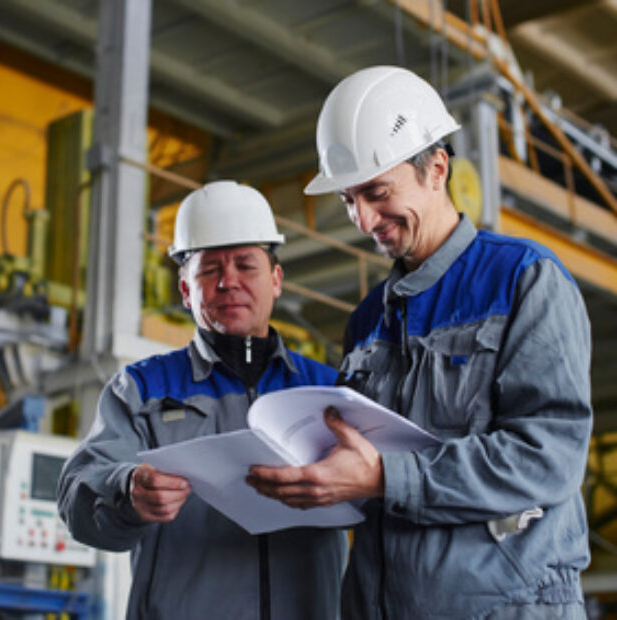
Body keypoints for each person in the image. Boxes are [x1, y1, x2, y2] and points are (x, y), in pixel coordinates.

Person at [246, 66, 593, 619]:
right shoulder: (366, 321)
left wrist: (386, 476)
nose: (363, 220)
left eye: (377, 193)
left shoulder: (525, 281)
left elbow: (547, 458)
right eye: (348, 200)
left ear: (436, 168)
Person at [57, 180, 349, 620]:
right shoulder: (141, 390)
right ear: (186, 291)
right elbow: (77, 495)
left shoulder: (330, 391)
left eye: (245, 265)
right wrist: (127, 491)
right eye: (209, 269)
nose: (228, 282)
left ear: (276, 279)